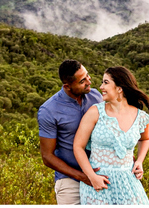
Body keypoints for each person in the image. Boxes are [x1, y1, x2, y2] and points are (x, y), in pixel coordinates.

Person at [73, 66, 149, 205]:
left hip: (128, 182)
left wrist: (139, 161)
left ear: (119, 88)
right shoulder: (95, 112)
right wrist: (92, 177)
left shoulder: (140, 116)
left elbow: (145, 139)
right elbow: (78, 146)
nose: (101, 87)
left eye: (106, 82)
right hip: (99, 183)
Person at [38, 59, 108, 204]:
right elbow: (47, 156)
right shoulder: (49, 110)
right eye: (82, 81)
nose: (89, 82)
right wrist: (83, 177)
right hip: (70, 180)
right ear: (67, 86)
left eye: (87, 76)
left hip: (102, 173)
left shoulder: (97, 97)